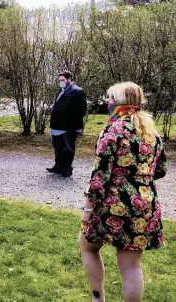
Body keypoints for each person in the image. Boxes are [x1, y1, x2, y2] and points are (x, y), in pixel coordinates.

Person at [79, 82, 167, 302]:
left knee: (87, 246)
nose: (108, 103)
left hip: (114, 204)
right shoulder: (151, 132)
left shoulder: (113, 130)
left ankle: (97, 299)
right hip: (144, 205)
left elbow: (99, 177)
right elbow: (160, 170)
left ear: (118, 103)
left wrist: (87, 211)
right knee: (131, 267)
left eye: (110, 99)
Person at [47, 71, 87, 177]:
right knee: (57, 146)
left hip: (69, 126)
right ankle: (58, 166)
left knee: (68, 147)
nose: (61, 82)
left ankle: (67, 168)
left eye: (63, 80)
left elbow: (82, 109)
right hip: (57, 125)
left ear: (69, 79)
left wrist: (72, 122)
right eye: (60, 80)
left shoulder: (77, 91)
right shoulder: (61, 90)